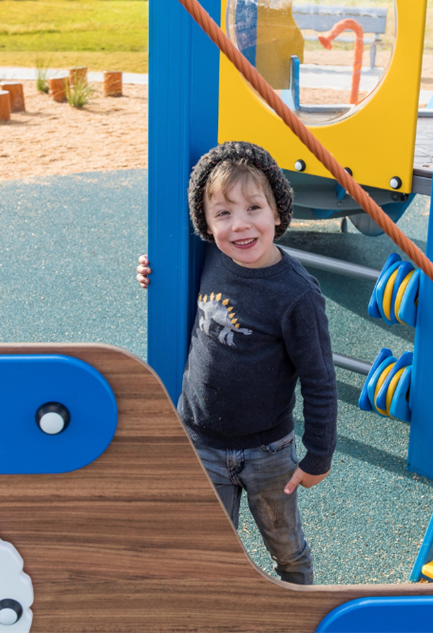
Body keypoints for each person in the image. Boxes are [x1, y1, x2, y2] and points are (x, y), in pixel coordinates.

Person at [136, 141, 337, 585]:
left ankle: (297, 601)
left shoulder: (297, 294)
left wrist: (318, 455)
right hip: (200, 440)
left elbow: (319, 379)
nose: (240, 225)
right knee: (208, 546)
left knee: (285, 545)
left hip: (268, 452)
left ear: (278, 214)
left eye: (253, 208)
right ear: (206, 226)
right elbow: (169, 274)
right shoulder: (208, 257)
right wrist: (156, 271)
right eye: (223, 213)